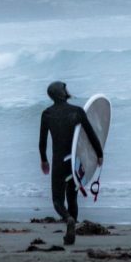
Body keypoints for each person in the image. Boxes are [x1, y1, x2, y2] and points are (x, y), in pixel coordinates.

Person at [38, 81, 103, 245]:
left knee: (57, 201)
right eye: (65, 89)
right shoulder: (77, 112)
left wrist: (44, 160)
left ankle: (68, 220)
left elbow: (42, 142)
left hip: (59, 162)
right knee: (72, 197)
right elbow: (90, 134)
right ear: (62, 92)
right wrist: (99, 154)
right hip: (74, 162)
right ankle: (71, 227)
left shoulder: (47, 114)